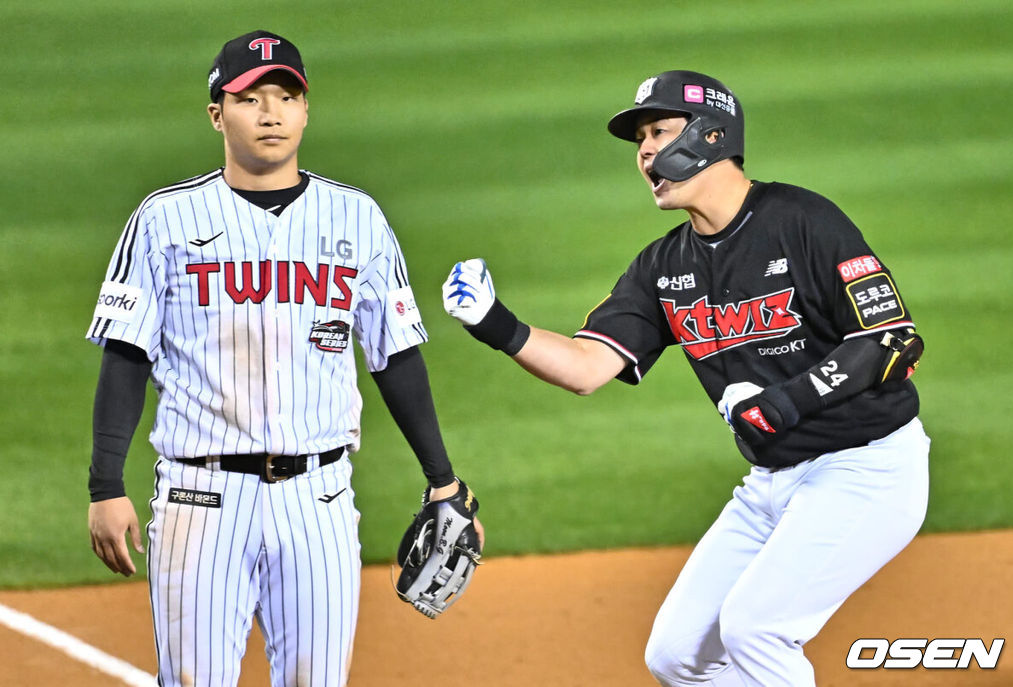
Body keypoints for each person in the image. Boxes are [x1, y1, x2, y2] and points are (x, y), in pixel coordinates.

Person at [442, 70, 928, 686]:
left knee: (757, 630)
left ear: (710, 134)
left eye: (659, 131)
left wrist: (786, 403)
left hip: (868, 470)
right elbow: (589, 368)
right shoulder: (663, 266)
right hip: (771, 483)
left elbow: (891, 340)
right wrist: (496, 324)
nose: (644, 152)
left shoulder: (800, 219)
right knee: (676, 656)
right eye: (639, 139)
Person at [86, 30, 482, 687]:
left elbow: (396, 355)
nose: (271, 112)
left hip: (319, 498)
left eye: (287, 95)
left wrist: (442, 478)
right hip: (199, 497)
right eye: (250, 98)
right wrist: (106, 484)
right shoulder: (163, 219)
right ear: (218, 113)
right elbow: (126, 354)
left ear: (306, 110)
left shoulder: (358, 219)